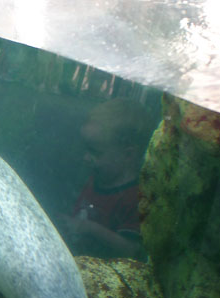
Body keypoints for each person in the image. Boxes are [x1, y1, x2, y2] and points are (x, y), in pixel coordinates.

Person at [61, 97, 155, 260]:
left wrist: (89, 228)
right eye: (86, 149)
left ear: (128, 155)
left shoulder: (135, 198)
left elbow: (131, 250)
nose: (85, 157)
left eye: (95, 152)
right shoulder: (97, 176)